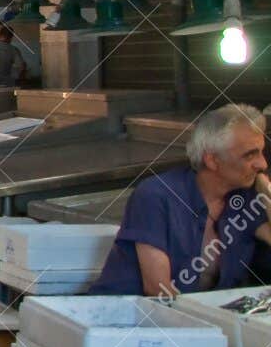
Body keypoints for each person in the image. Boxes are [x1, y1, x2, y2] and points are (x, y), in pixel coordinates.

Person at [89, 104, 271, 296]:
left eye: (261, 152)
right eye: (250, 155)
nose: (263, 164)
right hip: (126, 317)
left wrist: (266, 194)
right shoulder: (155, 195)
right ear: (212, 160)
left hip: (201, 318)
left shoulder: (245, 198)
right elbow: (158, 290)